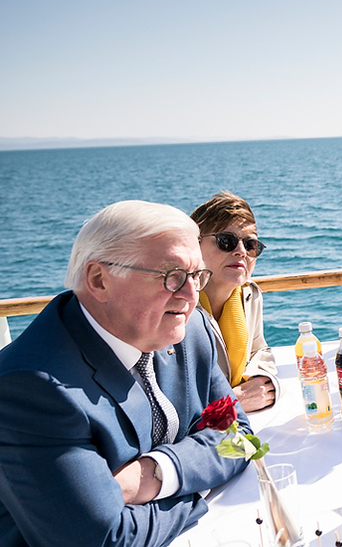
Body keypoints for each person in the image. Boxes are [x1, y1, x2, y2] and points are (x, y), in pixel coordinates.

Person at [0, 200, 251, 546]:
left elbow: (238, 437)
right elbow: (104, 539)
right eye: (172, 276)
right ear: (99, 280)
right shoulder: (30, 388)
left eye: (196, 275)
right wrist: (198, 490)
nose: (192, 295)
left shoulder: (192, 329)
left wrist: (156, 475)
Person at [190, 192, 277, 412]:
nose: (241, 252)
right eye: (226, 241)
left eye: (250, 245)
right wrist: (229, 404)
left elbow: (260, 350)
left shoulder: (250, 296)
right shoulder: (177, 307)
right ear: (195, 246)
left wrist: (263, 382)